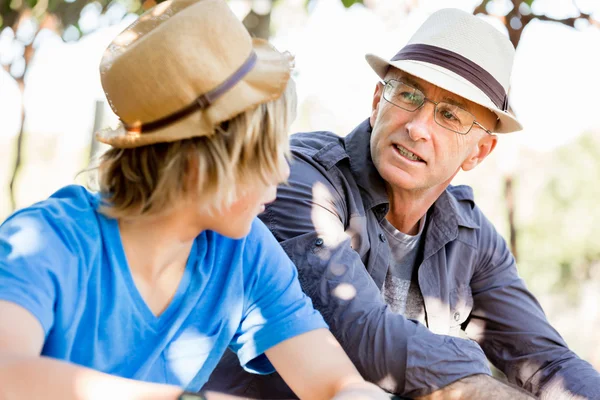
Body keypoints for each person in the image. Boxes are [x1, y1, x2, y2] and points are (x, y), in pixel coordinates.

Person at [0, 0, 391, 399]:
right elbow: (6, 373)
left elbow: (334, 384)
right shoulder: (47, 240)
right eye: (270, 150)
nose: (282, 171)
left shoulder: (243, 251)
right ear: (199, 163)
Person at [204, 7, 600, 400]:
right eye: (408, 95)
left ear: (479, 151)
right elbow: (360, 333)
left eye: (449, 115)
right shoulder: (300, 180)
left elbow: (547, 362)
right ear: (377, 101)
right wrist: (478, 382)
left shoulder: (472, 236)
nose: (416, 127)